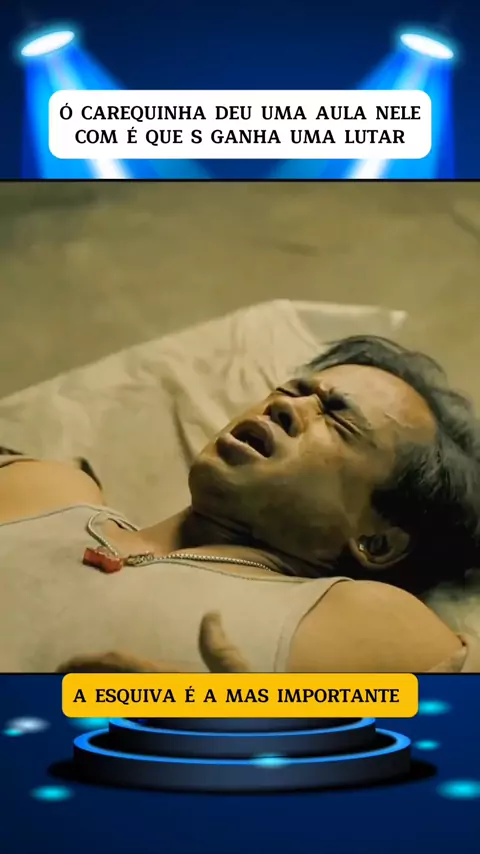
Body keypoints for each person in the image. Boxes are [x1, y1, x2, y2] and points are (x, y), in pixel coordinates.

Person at [1, 335, 480, 674]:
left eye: (339, 420)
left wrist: (248, 735)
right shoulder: (46, 490)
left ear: (377, 541)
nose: (285, 406)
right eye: (293, 390)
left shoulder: (361, 622)